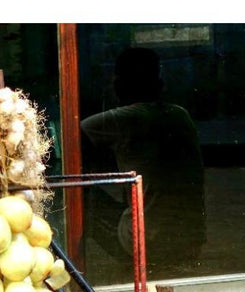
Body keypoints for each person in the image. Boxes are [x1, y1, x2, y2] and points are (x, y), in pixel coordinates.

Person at [81, 47, 206, 277]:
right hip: (190, 240)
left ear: (121, 83)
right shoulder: (180, 114)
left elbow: (75, 135)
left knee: (77, 194)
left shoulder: (125, 118)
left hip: (147, 243)